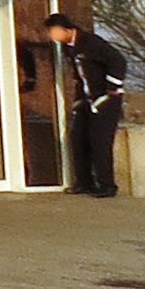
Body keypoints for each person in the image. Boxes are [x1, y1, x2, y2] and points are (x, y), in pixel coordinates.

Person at [42, 11, 127, 197]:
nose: (52, 36)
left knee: (100, 142)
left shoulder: (91, 43)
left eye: (54, 31)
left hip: (105, 99)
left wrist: (112, 87)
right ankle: (84, 182)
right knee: (78, 139)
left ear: (66, 30)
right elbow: (81, 76)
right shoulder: (69, 48)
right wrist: (79, 100)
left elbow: (118, 61)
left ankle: (107, 185)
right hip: (86, 100)